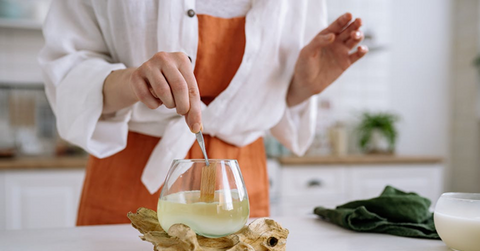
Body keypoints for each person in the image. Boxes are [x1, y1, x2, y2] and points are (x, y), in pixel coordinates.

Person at [39, 0, 367, 225]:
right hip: (130, 172)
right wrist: (133, 81)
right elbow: (67, 68)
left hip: (237, 182)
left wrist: (303, 87)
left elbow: (274, 99)